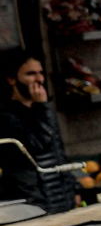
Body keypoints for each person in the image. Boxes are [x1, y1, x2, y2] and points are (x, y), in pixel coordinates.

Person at [0, 51, 76, 213]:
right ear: (12, 79)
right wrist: (42, 108)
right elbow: (36, 146)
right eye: (30, 74)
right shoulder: (6, 116)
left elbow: (58, 152)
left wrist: (73, 188)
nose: (39, 79)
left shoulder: (42, 110)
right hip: (35, 202)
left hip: (60, 198)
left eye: (40, 73)